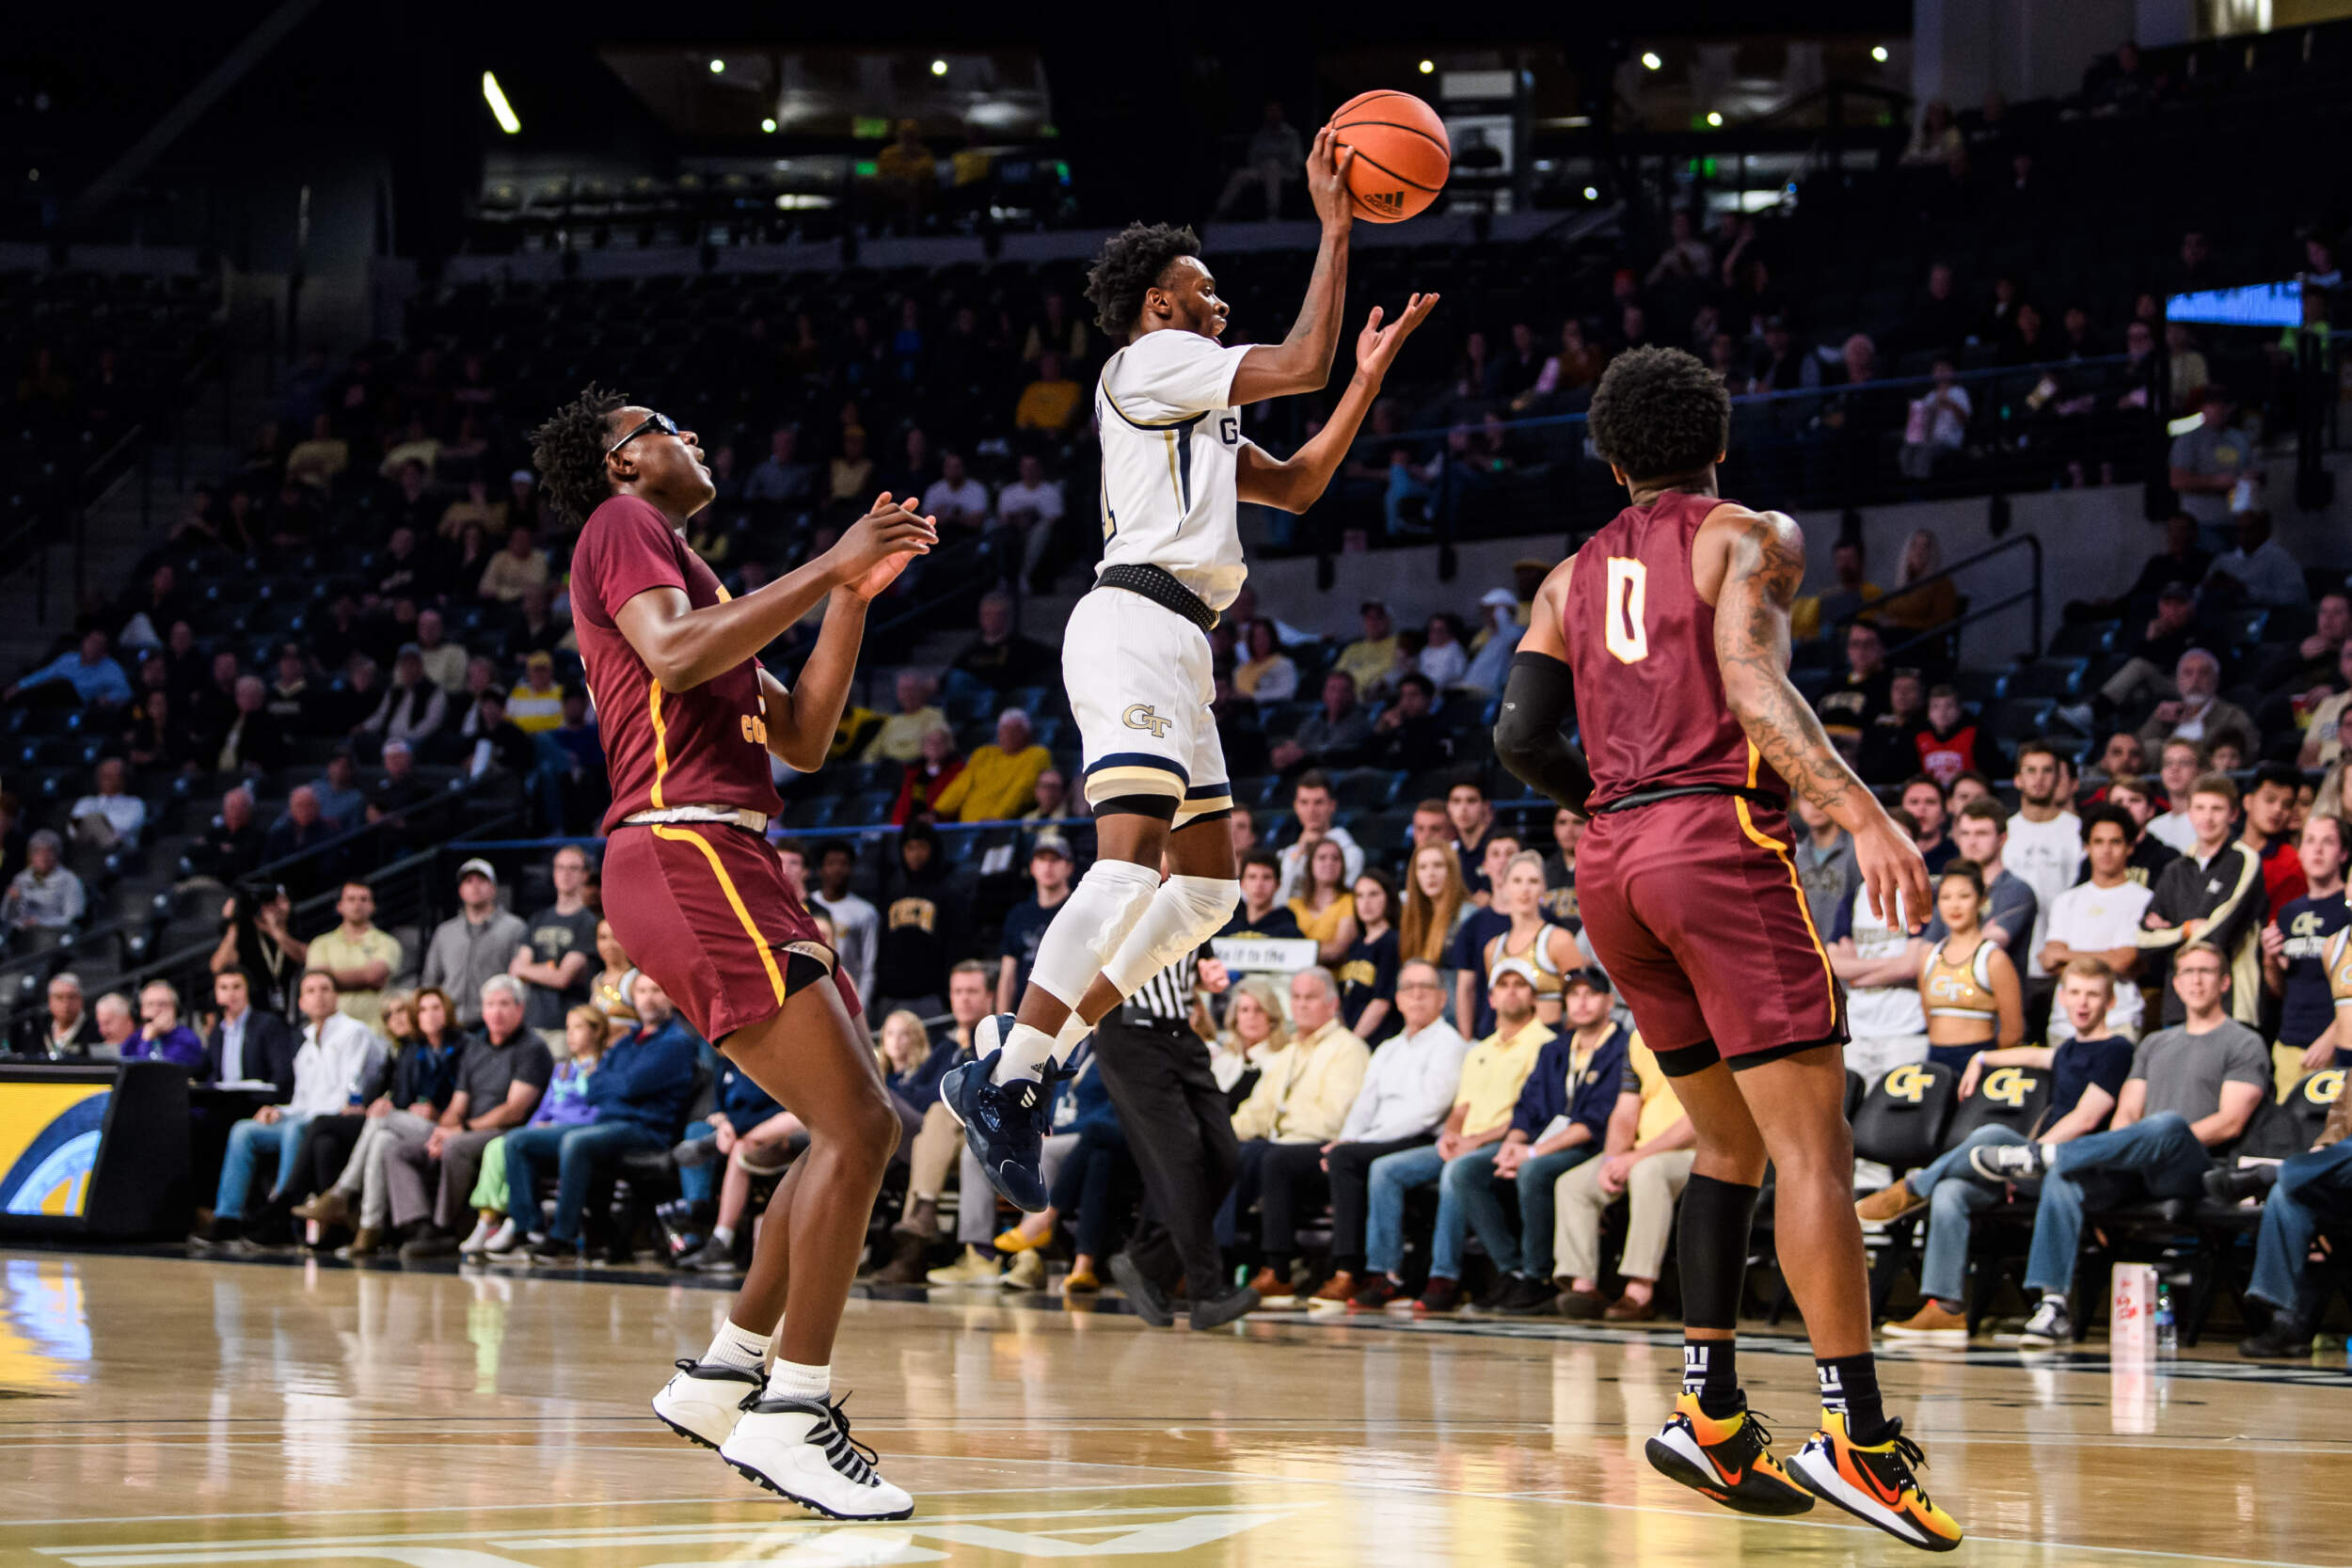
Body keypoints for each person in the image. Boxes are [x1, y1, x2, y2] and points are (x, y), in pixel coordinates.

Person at [1496, 344, 1956, 1544]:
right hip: (1715, 845)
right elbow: (1749, 678)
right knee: (1815, 1144)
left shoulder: (1564, 577)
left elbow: (1518, 737)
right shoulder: (1744, 533)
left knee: (1729, 1140)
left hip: (1610, 869)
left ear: (1609, 459)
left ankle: (1707, 1410)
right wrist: (1857, 809)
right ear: (1719, 443)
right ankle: (1859, 1440)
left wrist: (1606, 804)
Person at [943, 168, 1440, 1218]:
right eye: (1204, 287)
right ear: (1159, 301)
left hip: (1177, 639)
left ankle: (1022, 1045)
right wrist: (1336, 229)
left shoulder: (1195, 396)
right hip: (1131, 622)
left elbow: (1298, 483)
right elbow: (1297, 358)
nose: (1220, 303)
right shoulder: (1156, 358)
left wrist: (1365, 378)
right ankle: (1012, 1070)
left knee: (1206, 890)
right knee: (1124, 874)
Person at [532, 384, 933, 1518]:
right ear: (621, 463)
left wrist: (851, 594)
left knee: (836, 1130)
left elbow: (801, 734)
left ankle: (724, 1374)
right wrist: (824, 562)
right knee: (863, 1125)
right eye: (663, 426)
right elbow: (667, 656)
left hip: (736, 851)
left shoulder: (698, 581)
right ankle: (794, 1413)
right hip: (682, 846)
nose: (692, 434)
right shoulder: (623, 531)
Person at [1975, 945, 2270, 1347]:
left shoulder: (2243, 1041)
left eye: (2206, 972)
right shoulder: (2154, 1044)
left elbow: (2229, 1121)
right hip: (2137, 1164)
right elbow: (2125, 1115)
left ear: (2225, 982)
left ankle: (2043, 1155)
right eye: (2188, 972)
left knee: (2165, 1125)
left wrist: (2158, 1141)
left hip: (2194, 1168)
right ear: (2177, 983)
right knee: (2065, 1175)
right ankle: (2054, 1305)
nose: (2197, 980)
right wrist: (2135, 1145)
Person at [1862, 957, 2137, 1340]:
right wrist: (1982, 1058)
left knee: (1991, 1133)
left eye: (2092, 994)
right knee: (1952, 1190)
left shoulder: (2117, 1049)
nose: (2082, 1002)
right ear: (2062, 998)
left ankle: (1911, 1189)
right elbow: (2034, 1056)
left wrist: (2027, 1156)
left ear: (2109, 1002)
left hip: (2078, 1168)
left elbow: (2087, 1118)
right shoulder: (2068, 1050)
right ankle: (1945, 1309)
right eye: (2074, 992)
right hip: (2037, 1166)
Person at [1349, 960, 1552, 1315]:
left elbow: (1530, 1115)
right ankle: (1385, 1273)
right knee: (1385, 1170)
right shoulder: (1480, 1049)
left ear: (1534, 998)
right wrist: (1453, 1135)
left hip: (1506, 1141)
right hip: (1466, 1141)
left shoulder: (1546, 1045)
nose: (1511, 992)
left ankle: (1443, 1276)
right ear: (1490, 998)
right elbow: (1461, 1107)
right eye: (1503, 985)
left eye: (1520, 985)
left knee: (1455, 1172)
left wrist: (1471, 1143)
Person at [1461, 967, 1634, 1315]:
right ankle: (1510, 1269)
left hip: (1591, 1148)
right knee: (1465, 1172)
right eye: (1574, 995)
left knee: (1534, 1172)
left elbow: (1594, 1122)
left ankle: (1537, 1278)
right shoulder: (1555, 1049)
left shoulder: (1622, 1047)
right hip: (1539, 1143)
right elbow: (1527, 1108)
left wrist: (1531, 1152)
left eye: (1591, 994)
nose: (1581, 1003)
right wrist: (1512, 1144)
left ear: (1609, 1000)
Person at [514, 972, 702, 1263]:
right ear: (633, 998)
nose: (648, 998)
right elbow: (594, 1088)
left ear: (670, 997)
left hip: (645, 1129)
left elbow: (627, 1084)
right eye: (641, 991)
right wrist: (618, 1084)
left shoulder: (676, 1042)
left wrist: (616, 1085)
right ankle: (529, 1231)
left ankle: (562, 1237)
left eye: (656, 990)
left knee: (576, 1142)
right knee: (517, 1141)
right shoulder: (627, 1042)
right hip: (605, 1125)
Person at [1223, 967, 1369, 1295]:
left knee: (1272, 1158)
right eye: (1297, 997)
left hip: (1323, 1149)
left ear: (1332, 1005)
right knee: (1223, 1152)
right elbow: (1258, 1109)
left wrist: (1280, 1132)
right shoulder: (1289, 1051)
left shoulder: (1348, 1048)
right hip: (1281, 1146)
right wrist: (1223, 1134)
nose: (1301, 1005)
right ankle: (1205, 1257)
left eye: (1311, 997)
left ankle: (1277, 1269)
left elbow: (1335, 1119)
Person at [2137, 774, 2267, 1028]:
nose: (2207, 817)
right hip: (2178, 1007)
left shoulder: (2245, 860)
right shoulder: (2175, 869)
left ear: (2233, 814)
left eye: (2217, 809)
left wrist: (2170, 934)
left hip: (2232, 1006)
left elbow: (2219, 934)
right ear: (2189, 812)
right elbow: (2143, 940)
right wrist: (2186, 929)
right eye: (2200, 808)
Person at [1828, 810, 1931, 1082]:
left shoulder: (1923, 894)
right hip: (1858, 1029)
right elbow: (1834, 964)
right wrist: (1889, 966)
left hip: (1906, 1030)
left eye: (1897, 839)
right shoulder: (1855, 896)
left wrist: (1857, 973)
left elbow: (1911, 966)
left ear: (1914, 847)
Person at [2040, 806, 2153, 1042]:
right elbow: (2050, 960)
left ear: (2130, 847)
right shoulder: (2066, 900)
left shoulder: (2144, 899)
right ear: (2086, 847)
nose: (2106, 850)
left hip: (2119, 1021)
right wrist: (2107, 957)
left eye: (2115, 842)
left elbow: (2124, 961)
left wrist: (2067, 954)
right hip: (2063, 1024)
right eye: (2098, 842)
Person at [1919, 863, 2025, 1073]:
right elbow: (1929, 1017)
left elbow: (2013, 1031)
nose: (1954, 905)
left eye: (1964, 896)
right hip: (1935, 1060)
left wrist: (1989, 1064)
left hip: (1979, 1061)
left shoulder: (1993, 958)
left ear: (1981, 900)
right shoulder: (1929, 956)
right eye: (1946, 897)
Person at [2267, 814, 2350, 1078]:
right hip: (2288, 1042)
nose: (2317, 849)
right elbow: (2280, 989)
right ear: (2299, 851)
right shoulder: (2288, 912)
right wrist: (2269, 961)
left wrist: (2332, 1038)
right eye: (2310, 841)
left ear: (2344, 853)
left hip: (2336, 1044)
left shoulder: (2348, 909)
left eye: (2328, 842)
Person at [420, 859, 531, 1028]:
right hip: (452, 1023)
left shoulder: (514, 928)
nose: (475, 886)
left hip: (493, 1024)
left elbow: (520, 982)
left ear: (493, 888)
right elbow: (430, 980)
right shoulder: (445, 932)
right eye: (468, 881)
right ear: (460, 890)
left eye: (482, 881)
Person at [509, 845, 601, 1042]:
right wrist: (550, 969)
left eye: (572, 868)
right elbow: (515, 970)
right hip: (532, 1023)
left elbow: (563, 978)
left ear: (585, 875)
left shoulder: (587, 922)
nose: (565, 874)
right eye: (560, 867)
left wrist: (530, 969)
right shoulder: (538, 918)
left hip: (568, 1028)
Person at [1924, 800, 2038, 954]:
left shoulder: (2016, 890)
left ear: (2002, 838)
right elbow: (1927, 950)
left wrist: (1945, 947)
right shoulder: (1950, 888)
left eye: (1981, 834)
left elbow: (1989, 946)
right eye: (1965, 833)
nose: (1972, 842)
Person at [1481, 850, 1580, 1028]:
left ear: (1543, 888)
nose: (1524, 889)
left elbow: (1580, 1000)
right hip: (1505, 1046)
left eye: (1533, 881)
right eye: (1517, 881)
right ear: (1505, 887)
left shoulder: (1559, 940)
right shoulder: (1492, 948)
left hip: (1550, 1043)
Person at [302, 880, 405, 1037]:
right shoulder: (320, 943)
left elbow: (374, 977)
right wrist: (364, 979)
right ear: (339, 906)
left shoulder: (388, 943)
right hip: (330, 1035)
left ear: (373, 906)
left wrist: (333, 979)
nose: (357, 904)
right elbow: (320, 980)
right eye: (351, 899)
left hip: (376, 1033)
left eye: (364, 899)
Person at [931, 709, 1051, 823]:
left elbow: (1021, 790)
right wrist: (938, 811)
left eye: (1014, 732)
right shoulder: (984, 754)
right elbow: (961, 785)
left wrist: (998, 817)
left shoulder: (1036, 754)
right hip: (967, 826)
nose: (1007, 736)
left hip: (1001, 826)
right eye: (1003, 731)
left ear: (1027, 734)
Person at [804, 841, 879, 1010]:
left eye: (843, 863)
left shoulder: (865, 912)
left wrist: (861, 1007)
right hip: (811, 992)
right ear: (820, 869)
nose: (837, 869)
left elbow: (869, 967)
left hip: (848, 994)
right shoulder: (805, 905)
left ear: (852, 868)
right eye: (831, 863)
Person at [1273, 770, 1365, 903]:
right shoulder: (1288, 854)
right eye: (1304, 802)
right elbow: (1278, 902)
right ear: (1296, 806)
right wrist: (1298, 854)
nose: (1311, 810)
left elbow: (1342, 901)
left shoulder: (1351, 853)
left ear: (1332, 806)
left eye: (1318, 802)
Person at [1336, 869, 1402, 1046]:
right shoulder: (1355, 945)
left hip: (1378, 1041)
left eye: (1373, 894)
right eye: (1359, 896)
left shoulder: (1392, 941)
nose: (1366, 903)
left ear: (1388, 898)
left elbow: (1381, 1002)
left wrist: (1352, 1042)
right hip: (1351, 1037)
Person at [1286, 837, 1358, 963]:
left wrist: (1297, 951)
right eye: (1322, 857)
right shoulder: (1293, 904)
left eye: (1335, 858)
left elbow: (1337, 950)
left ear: (1342, 866)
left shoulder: (1350, 901)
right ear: (1310, 864)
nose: (1329, 862)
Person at [1398, 841, 1467, 965]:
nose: (1430, 874)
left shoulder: (1466, 913)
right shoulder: (1414, 915)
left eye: (1438, 865)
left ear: (1452, 870)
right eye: (1422, 867)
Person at [3, 832, 84, 932]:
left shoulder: (70, 880)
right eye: (38, 852)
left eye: (49, 852)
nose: (43, 857)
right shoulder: (21, 879)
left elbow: (74, 918)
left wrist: (41, 923)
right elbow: (7, 917)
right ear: (31, 856)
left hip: (57, 936)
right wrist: (12, 901)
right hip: (24, 938)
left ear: (57, 855)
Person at [125, 981, 205, 1074]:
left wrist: (147, 1040)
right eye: (150, 1004)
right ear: (142, 1010)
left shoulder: (187, 1040)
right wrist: (146, 1039)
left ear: (175, 1009)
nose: (156, 1010)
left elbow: (160, 1074)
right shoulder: (133, 1041)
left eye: (162, 1004)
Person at [29, 973, 100, 1060]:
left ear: (80, 999)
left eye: (71, 997)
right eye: (59, 997)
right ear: (50, 1001)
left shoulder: (97, 1030)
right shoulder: (40, 1029)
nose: (66, 1004)